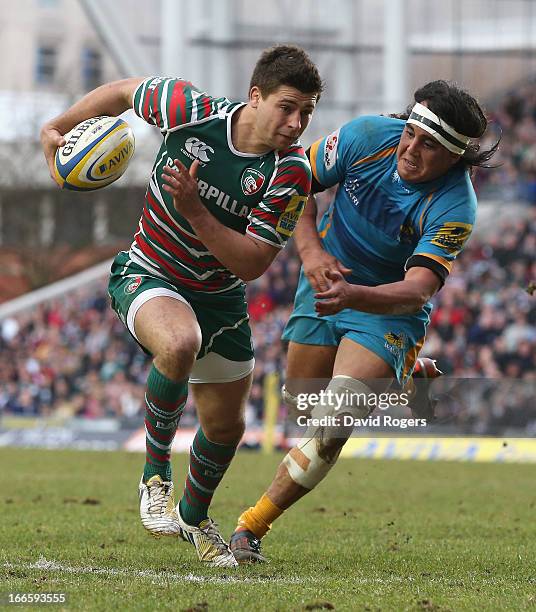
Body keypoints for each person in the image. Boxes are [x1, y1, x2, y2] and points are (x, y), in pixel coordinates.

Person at [41, 45, 323, 567]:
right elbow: (123, 92)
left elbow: (252, 264)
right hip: (149, 271)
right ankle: (154, 479)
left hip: (219, 294)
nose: (296, 121)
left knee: (225, 429)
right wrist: (58, 125)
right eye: (287, 106)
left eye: (307, 111)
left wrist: (195, 209)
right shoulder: (189, 111)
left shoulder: (291, 175)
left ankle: (194, 516)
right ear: (254, 97)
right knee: (178, 342)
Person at [229, 80, 498, 563]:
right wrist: (311, 254)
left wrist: (352, 294)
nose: (411, 149)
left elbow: (417, 289)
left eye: (429, 146)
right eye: (411, 133)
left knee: (332, 424)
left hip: (387, 308)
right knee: (304, 408)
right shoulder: (366, 136)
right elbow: (295, 181)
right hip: (325, 281)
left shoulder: (456, 205)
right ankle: (403, 380)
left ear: (455, 158)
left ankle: (251, 526)